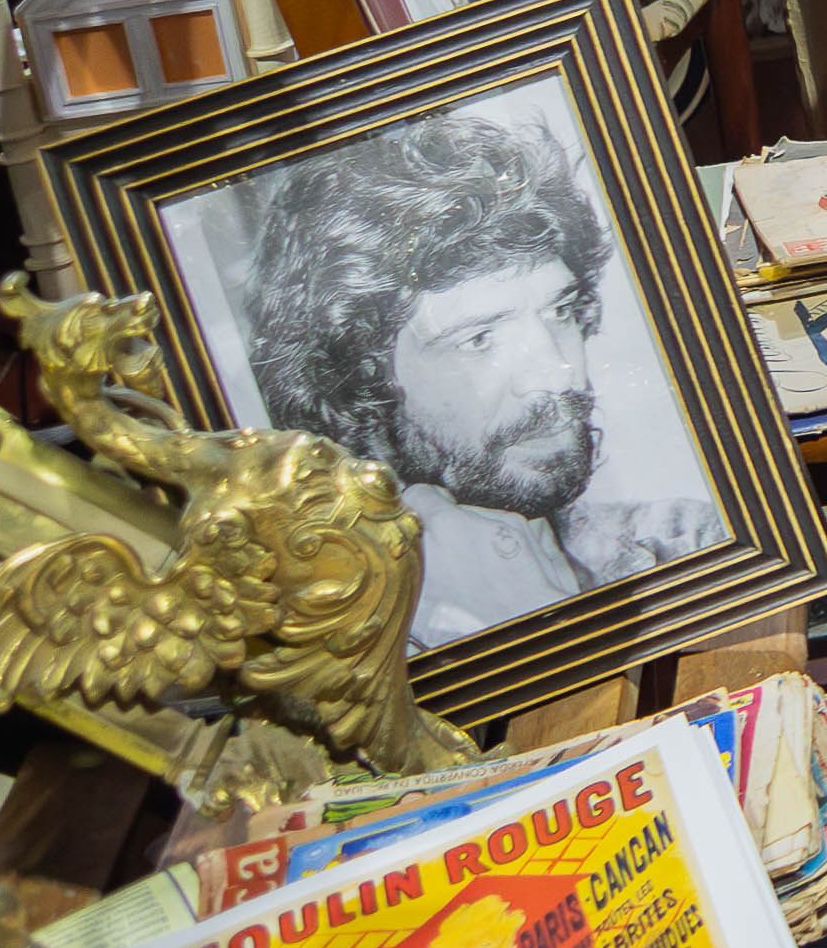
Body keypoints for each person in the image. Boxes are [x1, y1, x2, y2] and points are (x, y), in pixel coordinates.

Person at [232, 105, 709, 648]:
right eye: (479, 339)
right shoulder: (339, 647)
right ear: (360, 378)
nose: (559, 373)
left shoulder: (684, 542)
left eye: (559, 312)